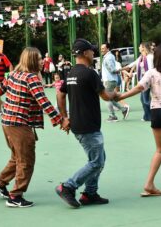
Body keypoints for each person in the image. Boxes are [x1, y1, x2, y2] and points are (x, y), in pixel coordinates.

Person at [0, 47, 69, 208]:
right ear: (30, 61)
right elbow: (43, 101)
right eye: (38, 59)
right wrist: (61, 120)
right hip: (18, 123)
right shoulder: (31, 78)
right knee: (26, 160)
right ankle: (15, 196)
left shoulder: (15, 74)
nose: (42, 61)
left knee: (17, 157)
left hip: (7, 121)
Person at [116, 45, 161, 197]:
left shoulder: (151, 73)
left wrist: (121, 96)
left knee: (160, 150)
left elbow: (138, 88)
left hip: (158, 112)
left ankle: (149, 183)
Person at [55, 38, 117, 208]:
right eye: (91, 51)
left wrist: (65, 117)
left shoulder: (71, 73)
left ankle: (90, 193)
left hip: (78, 124)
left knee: (99, 158)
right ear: (84, 53)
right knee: (97, 162)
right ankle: (68, 186)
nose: (93, 53)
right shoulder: (90, 73)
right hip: (89, 125)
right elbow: (105, 96)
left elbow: (60, 95)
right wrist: (116, 95)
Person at [123, 42, 153, 121]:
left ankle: (150, 116)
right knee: (143, 99)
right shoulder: (140, 58)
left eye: (139, 46)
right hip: (142, 80)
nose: (138, 48)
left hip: (147, 80)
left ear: (143, 47)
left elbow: (150, 69)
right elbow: (132, 64)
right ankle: (147, 116)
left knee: (145, 99)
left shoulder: (149, 57)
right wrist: (122, 69)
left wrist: (147, 79)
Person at [100, 43, 130, 122]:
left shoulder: (108, 57)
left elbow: (112, 70)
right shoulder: (108, 56)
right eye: (101, 48)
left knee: (106, 98)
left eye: (103, 48)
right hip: (110, 80)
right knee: (109, 98)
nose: (101, 50)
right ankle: (123, 109)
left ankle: (113, 116)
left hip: (110, 80)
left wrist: (121, 69)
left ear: (108, 48)